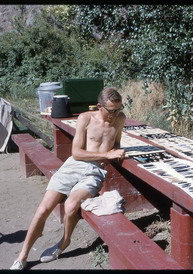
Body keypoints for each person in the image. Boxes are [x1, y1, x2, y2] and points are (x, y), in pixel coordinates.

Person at [10, 87, 126, 270]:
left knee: (71, 205)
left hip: (94, 171)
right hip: (73, 165)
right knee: (43, 209)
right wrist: (107, 155)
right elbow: (76, 152)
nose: (115, 113)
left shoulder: (120, 119)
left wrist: (113, 155)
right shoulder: (86, 118)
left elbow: (116, 144)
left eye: (119, 108)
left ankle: (64, 242)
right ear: (99, 106)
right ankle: (22, 256)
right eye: (111, 110)